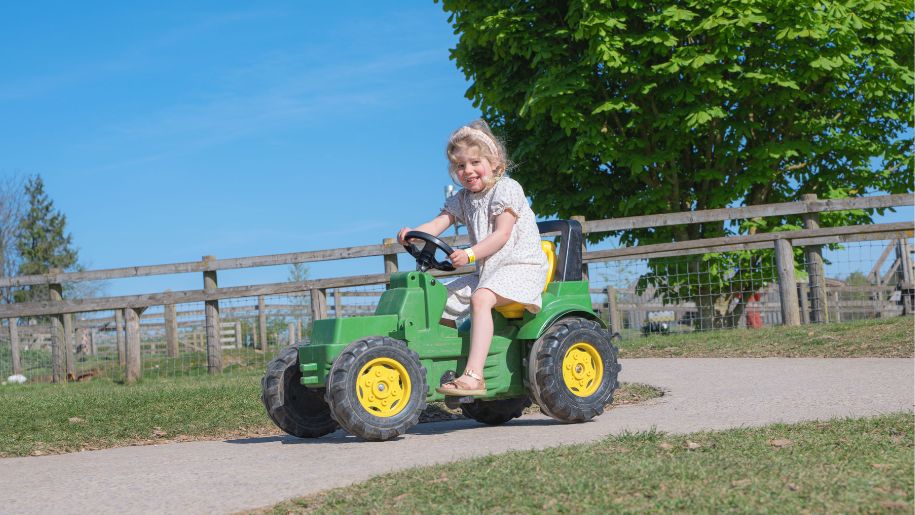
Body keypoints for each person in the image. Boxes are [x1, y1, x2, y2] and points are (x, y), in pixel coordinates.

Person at [397, 120, 549, 396]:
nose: (468, 171)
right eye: (460, 166)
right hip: (487, 271)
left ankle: (474, 375)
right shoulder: (463, 198)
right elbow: (439, 223)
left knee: (481, 298)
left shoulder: (507, 188)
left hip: (520, 266)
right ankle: (444, 366)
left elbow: (502, 235)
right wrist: (414, 234)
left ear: (494, 161)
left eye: (475, 162)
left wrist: (469, 254)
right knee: (437, 302)